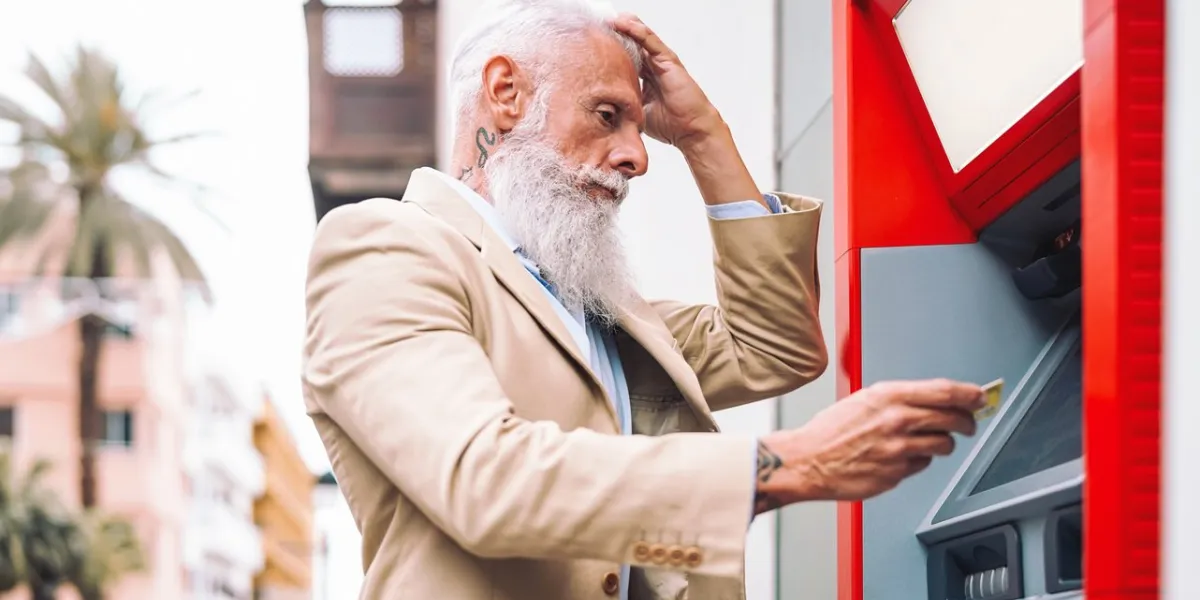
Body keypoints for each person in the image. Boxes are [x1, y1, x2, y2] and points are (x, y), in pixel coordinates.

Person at [300, 1, 985, 599]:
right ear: (505, 92)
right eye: (608, 116)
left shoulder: (591, 302)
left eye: (640, 127)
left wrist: (701, 135)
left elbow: (774, 348)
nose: (637, 156)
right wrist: (790, 465)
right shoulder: (381, 248)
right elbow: (486, 479)